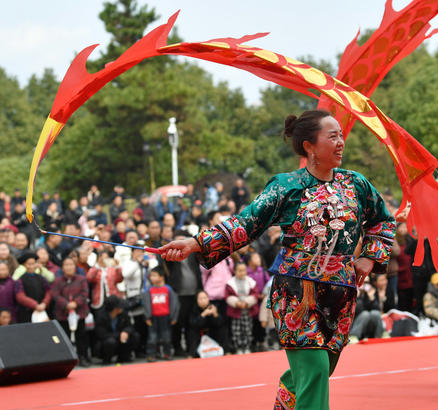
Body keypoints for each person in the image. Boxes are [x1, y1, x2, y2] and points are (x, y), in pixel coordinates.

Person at [159, 110, 395, 409]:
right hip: (297, 294)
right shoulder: (286, 186)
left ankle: (285, 401)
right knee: (315, 371)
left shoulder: (356, 184)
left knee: (314, 374)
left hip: (341, 293)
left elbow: (383, 221)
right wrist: (195, 243)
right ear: (309, 145)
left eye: (341, 135)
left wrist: (369, 258)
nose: (341, 142)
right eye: (332, 136)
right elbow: (246, 224)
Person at [51, 257, 91, 366]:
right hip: (63, 313)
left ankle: (82, 357)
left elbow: (84, 293)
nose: (69, 267)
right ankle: (67, 359)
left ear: (75, 267)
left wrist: (75, 303)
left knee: (81, 336)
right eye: (66, 265)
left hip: (79, 312)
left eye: (71, 265)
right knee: (64, 337)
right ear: (62, 268)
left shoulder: (81, 279)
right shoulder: (57, 281)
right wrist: (66, 304)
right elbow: (55, 295)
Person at [143, 267, 179, 361]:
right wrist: (147, 317)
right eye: (151, 275)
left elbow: (174, 304)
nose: (152, 277)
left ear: (162, 277)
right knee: (152, 337)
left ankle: (167, 353)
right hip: (153, 317)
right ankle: (151, 354)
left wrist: (174, 317)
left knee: (166, 337)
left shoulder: (168, 289)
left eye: (154, 275)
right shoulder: (149, 291)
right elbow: (146, 305)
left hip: (166, 317)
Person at [225, 261, 259, 354]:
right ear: (235, 271)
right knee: (236, 330)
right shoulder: (230, 283)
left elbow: (255, 294)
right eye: (239, 271)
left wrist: (247, 302)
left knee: (247, 329)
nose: (242, 272)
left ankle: (247, 346)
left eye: (243, 270)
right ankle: (238, 347)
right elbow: (228, 296)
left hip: (247, 309)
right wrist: (236, 303)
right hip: (236, 310)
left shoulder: (250, 282)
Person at [94, 295, 139, 364]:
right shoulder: (101, 316)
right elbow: (101, 335)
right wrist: (119, 335)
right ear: (114, 308)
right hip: (106, 344)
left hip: (121, 340)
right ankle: (107, 359)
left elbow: (130, 326)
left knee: (135, 336)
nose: (121, 307)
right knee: (110, 342)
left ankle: (124, 357)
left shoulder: (123, 314)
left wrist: (125, 332)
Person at [14, 251, 52, 323]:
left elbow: (48, 291)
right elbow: (20, 296)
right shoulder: (20, 280)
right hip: (26, 313)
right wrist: (35, 305)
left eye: (33, 263)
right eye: (29, 264)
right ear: (24, 265)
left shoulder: (41, 278)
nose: (31, 266)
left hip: (42, 310)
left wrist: (44, 303)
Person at [188, 290, 224, 357]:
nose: (203, 300)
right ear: (197, 300)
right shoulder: (193, 309)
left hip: (211, 333)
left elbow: (219, 323)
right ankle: (191, 354)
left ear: (208, 299)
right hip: (199, 334)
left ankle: (226, 350)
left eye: (205, 298)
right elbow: (193, 324)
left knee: (222, 329)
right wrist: (203, 314)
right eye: (200, 299)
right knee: (192, 332)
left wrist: (215, 314)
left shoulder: (213, 307)